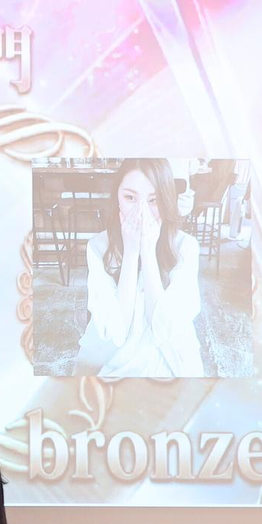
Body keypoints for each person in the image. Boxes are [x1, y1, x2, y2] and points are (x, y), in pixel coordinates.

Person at [75, 157, 205, 377]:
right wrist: (131, 251)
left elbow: (165, 328)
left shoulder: (185, 246)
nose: (141, 212)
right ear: (117, 197)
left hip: (170, 355)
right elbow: (115, 329)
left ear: (166, 199)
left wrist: (148, 252)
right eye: (130, 198)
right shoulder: (98, 246)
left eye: (154, 200)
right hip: (111, 356)